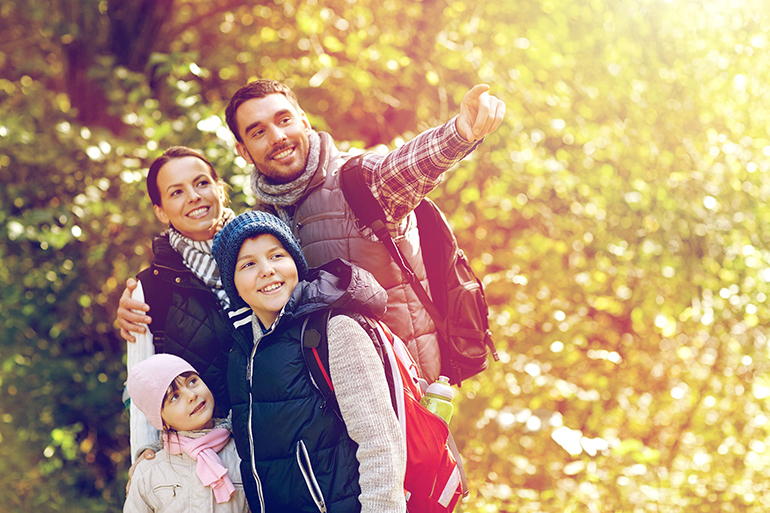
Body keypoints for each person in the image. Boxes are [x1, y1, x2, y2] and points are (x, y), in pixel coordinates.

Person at [118, 80, 505, 383]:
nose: (278, 137)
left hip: (407, 391)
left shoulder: (360, 180)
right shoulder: (262, 219)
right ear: (243, 151)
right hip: (325, 405)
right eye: (258, 131)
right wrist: (137, 296)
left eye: (284, 120)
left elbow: (408, 164)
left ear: (304, 120)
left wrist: (460, 132)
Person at [210, 210, 406, 513]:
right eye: (248, 264)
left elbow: (381, 444)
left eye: (277, 255)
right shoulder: (241, 352)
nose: (267, 270)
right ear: (232, 284)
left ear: (295, 263)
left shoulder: (332, 331)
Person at [125, 146, 236, 460]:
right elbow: (141, 384)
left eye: (201, 183)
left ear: (220, 189)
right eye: (176, 192)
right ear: (161, 211)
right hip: (207, 461)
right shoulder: (147, 290)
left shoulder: (265, 254)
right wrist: (144, 455)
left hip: (287, 440)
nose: (194, 196)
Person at [124, 353, 249, 512]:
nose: (191, 395)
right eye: (174, 397)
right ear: (161, 421)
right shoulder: (149, 472)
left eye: (192, 381)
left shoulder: (243, 454)